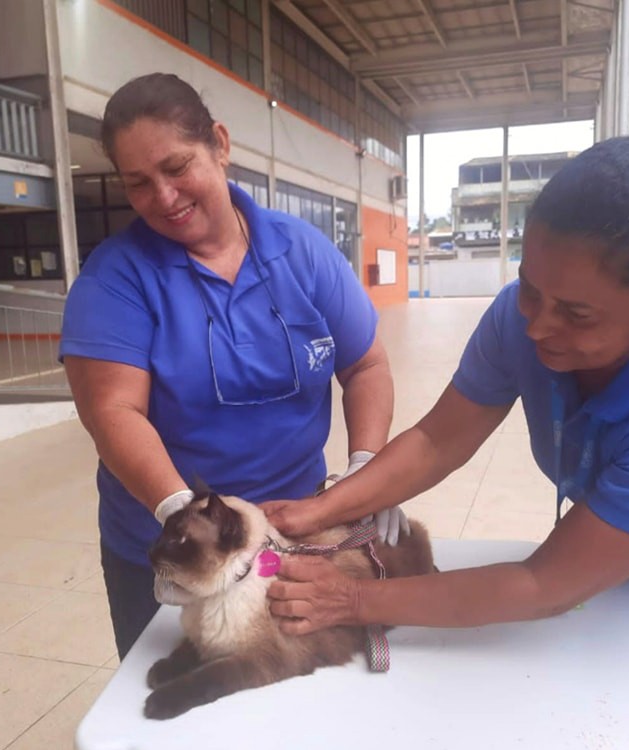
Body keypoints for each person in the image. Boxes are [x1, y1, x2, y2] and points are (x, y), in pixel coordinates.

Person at [264, 123, 629, 748]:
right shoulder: (520, 320)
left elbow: (545, 584)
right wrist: (320, 508)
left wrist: (355, 600)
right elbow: (440, 440)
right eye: (530, 289)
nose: (540, 326)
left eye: (576, 313)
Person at [59, 73, 403, 660]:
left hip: (292, 533)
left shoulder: (301, 251)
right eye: (138, 183)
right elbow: (112, 409)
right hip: (177, 552)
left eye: (176, 167)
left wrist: (364, 468)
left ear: (219, 143)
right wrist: (177, 514)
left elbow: (366, 365)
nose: (163, 198)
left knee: (286, 677)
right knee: (182, 702)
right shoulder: (116, 279)